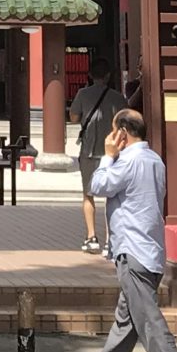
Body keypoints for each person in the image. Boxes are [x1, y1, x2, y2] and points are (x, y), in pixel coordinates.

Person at [76, 109, 177, 352]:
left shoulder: (127, 161)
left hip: (134, 250)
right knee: (127, 318)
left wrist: (106, 155)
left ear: (122, 134)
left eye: (114, 131)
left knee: (148, 321)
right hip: (151, 248)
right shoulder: (155, 160)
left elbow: (98, 186)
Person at [70, 66, 123, 255]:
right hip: (113, 150)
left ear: (91, 76)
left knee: (88, 194)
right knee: (113, 196)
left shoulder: (83, 94)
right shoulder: (118, 96)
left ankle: (91, 237)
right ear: (108, 75)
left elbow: (74, 117)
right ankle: (110, 240)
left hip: (89, 149)